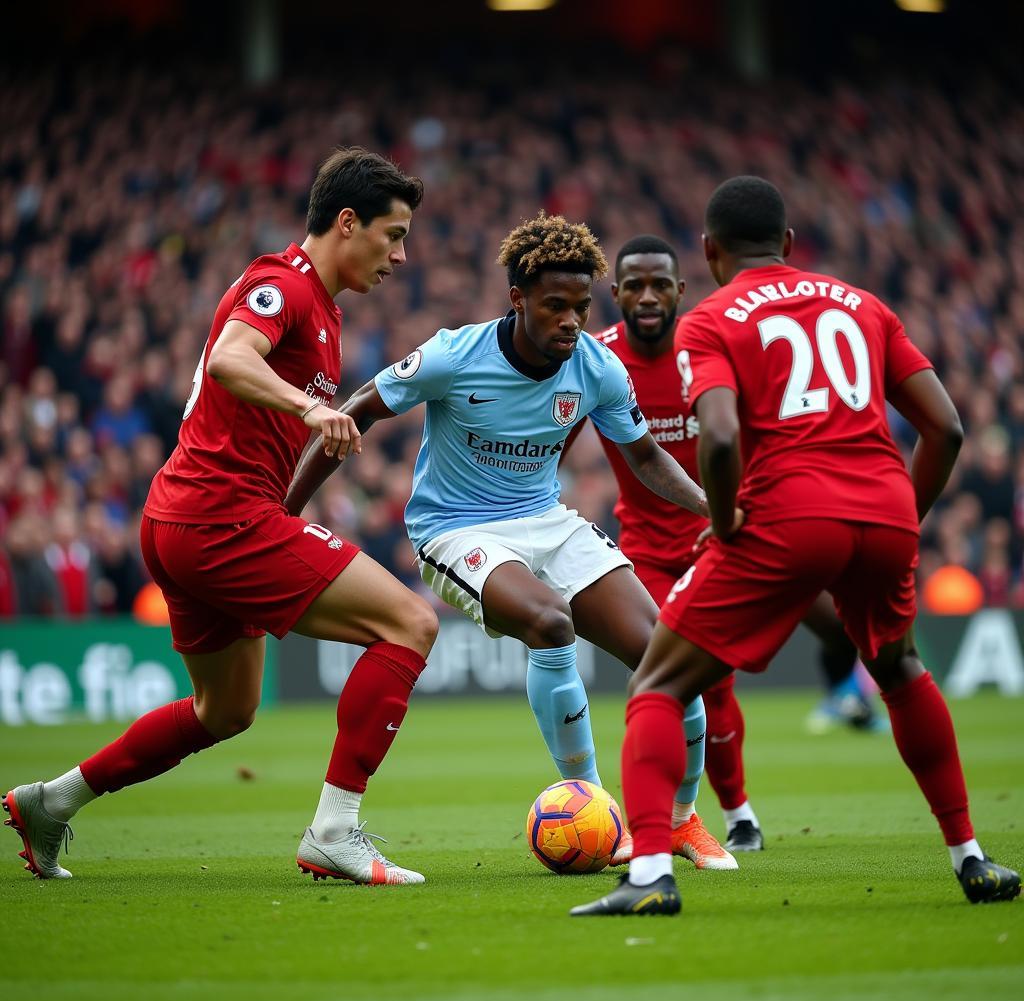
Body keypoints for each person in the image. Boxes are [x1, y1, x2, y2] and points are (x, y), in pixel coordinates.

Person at [571, 176, 1021, 915]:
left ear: (709, 254)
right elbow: (947, 428)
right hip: (884, 510)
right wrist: (904, 512)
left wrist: (722, 521)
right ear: (787, 244)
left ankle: (650, 876)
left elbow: (717, 437)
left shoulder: (713, 321)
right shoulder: (862, 303)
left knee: (656, 683)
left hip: (788, 516)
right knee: (901, 669)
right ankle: (971, 857)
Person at [4, 147, 439, 886]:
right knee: (411, 623)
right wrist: (311, 406)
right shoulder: (283, 285)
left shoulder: (321, 309)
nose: (400, 255)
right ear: (346, 222)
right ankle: (335, 829)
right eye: (392, 234)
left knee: (226, 709)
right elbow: (236, 357)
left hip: (183, 519)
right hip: (218, 518)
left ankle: (53, 801)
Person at [286, 212, 737, 870]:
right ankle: (597, 807)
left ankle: (678, 821)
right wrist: (287, 512)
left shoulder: (597, 367)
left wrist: (712, 508)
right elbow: (355, 411)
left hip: (547, 521)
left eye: (581, 307)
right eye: (555, 305)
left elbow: (645, 457)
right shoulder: (453, 356)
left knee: (674, 657)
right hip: (455, 530)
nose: (571, 321)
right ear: (518, 298)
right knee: (551, 624)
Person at [565, 234, 883, 854]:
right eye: (635, 285)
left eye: (661, 284)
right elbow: (553, 426)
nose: (648, 296)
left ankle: (847, 693)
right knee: (694, 681)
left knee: (844, 627)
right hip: (651, 554)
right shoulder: (597, 359)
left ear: (682, 290)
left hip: (736, 536)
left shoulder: (712, 347)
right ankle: (726, 816)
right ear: (617, 294)